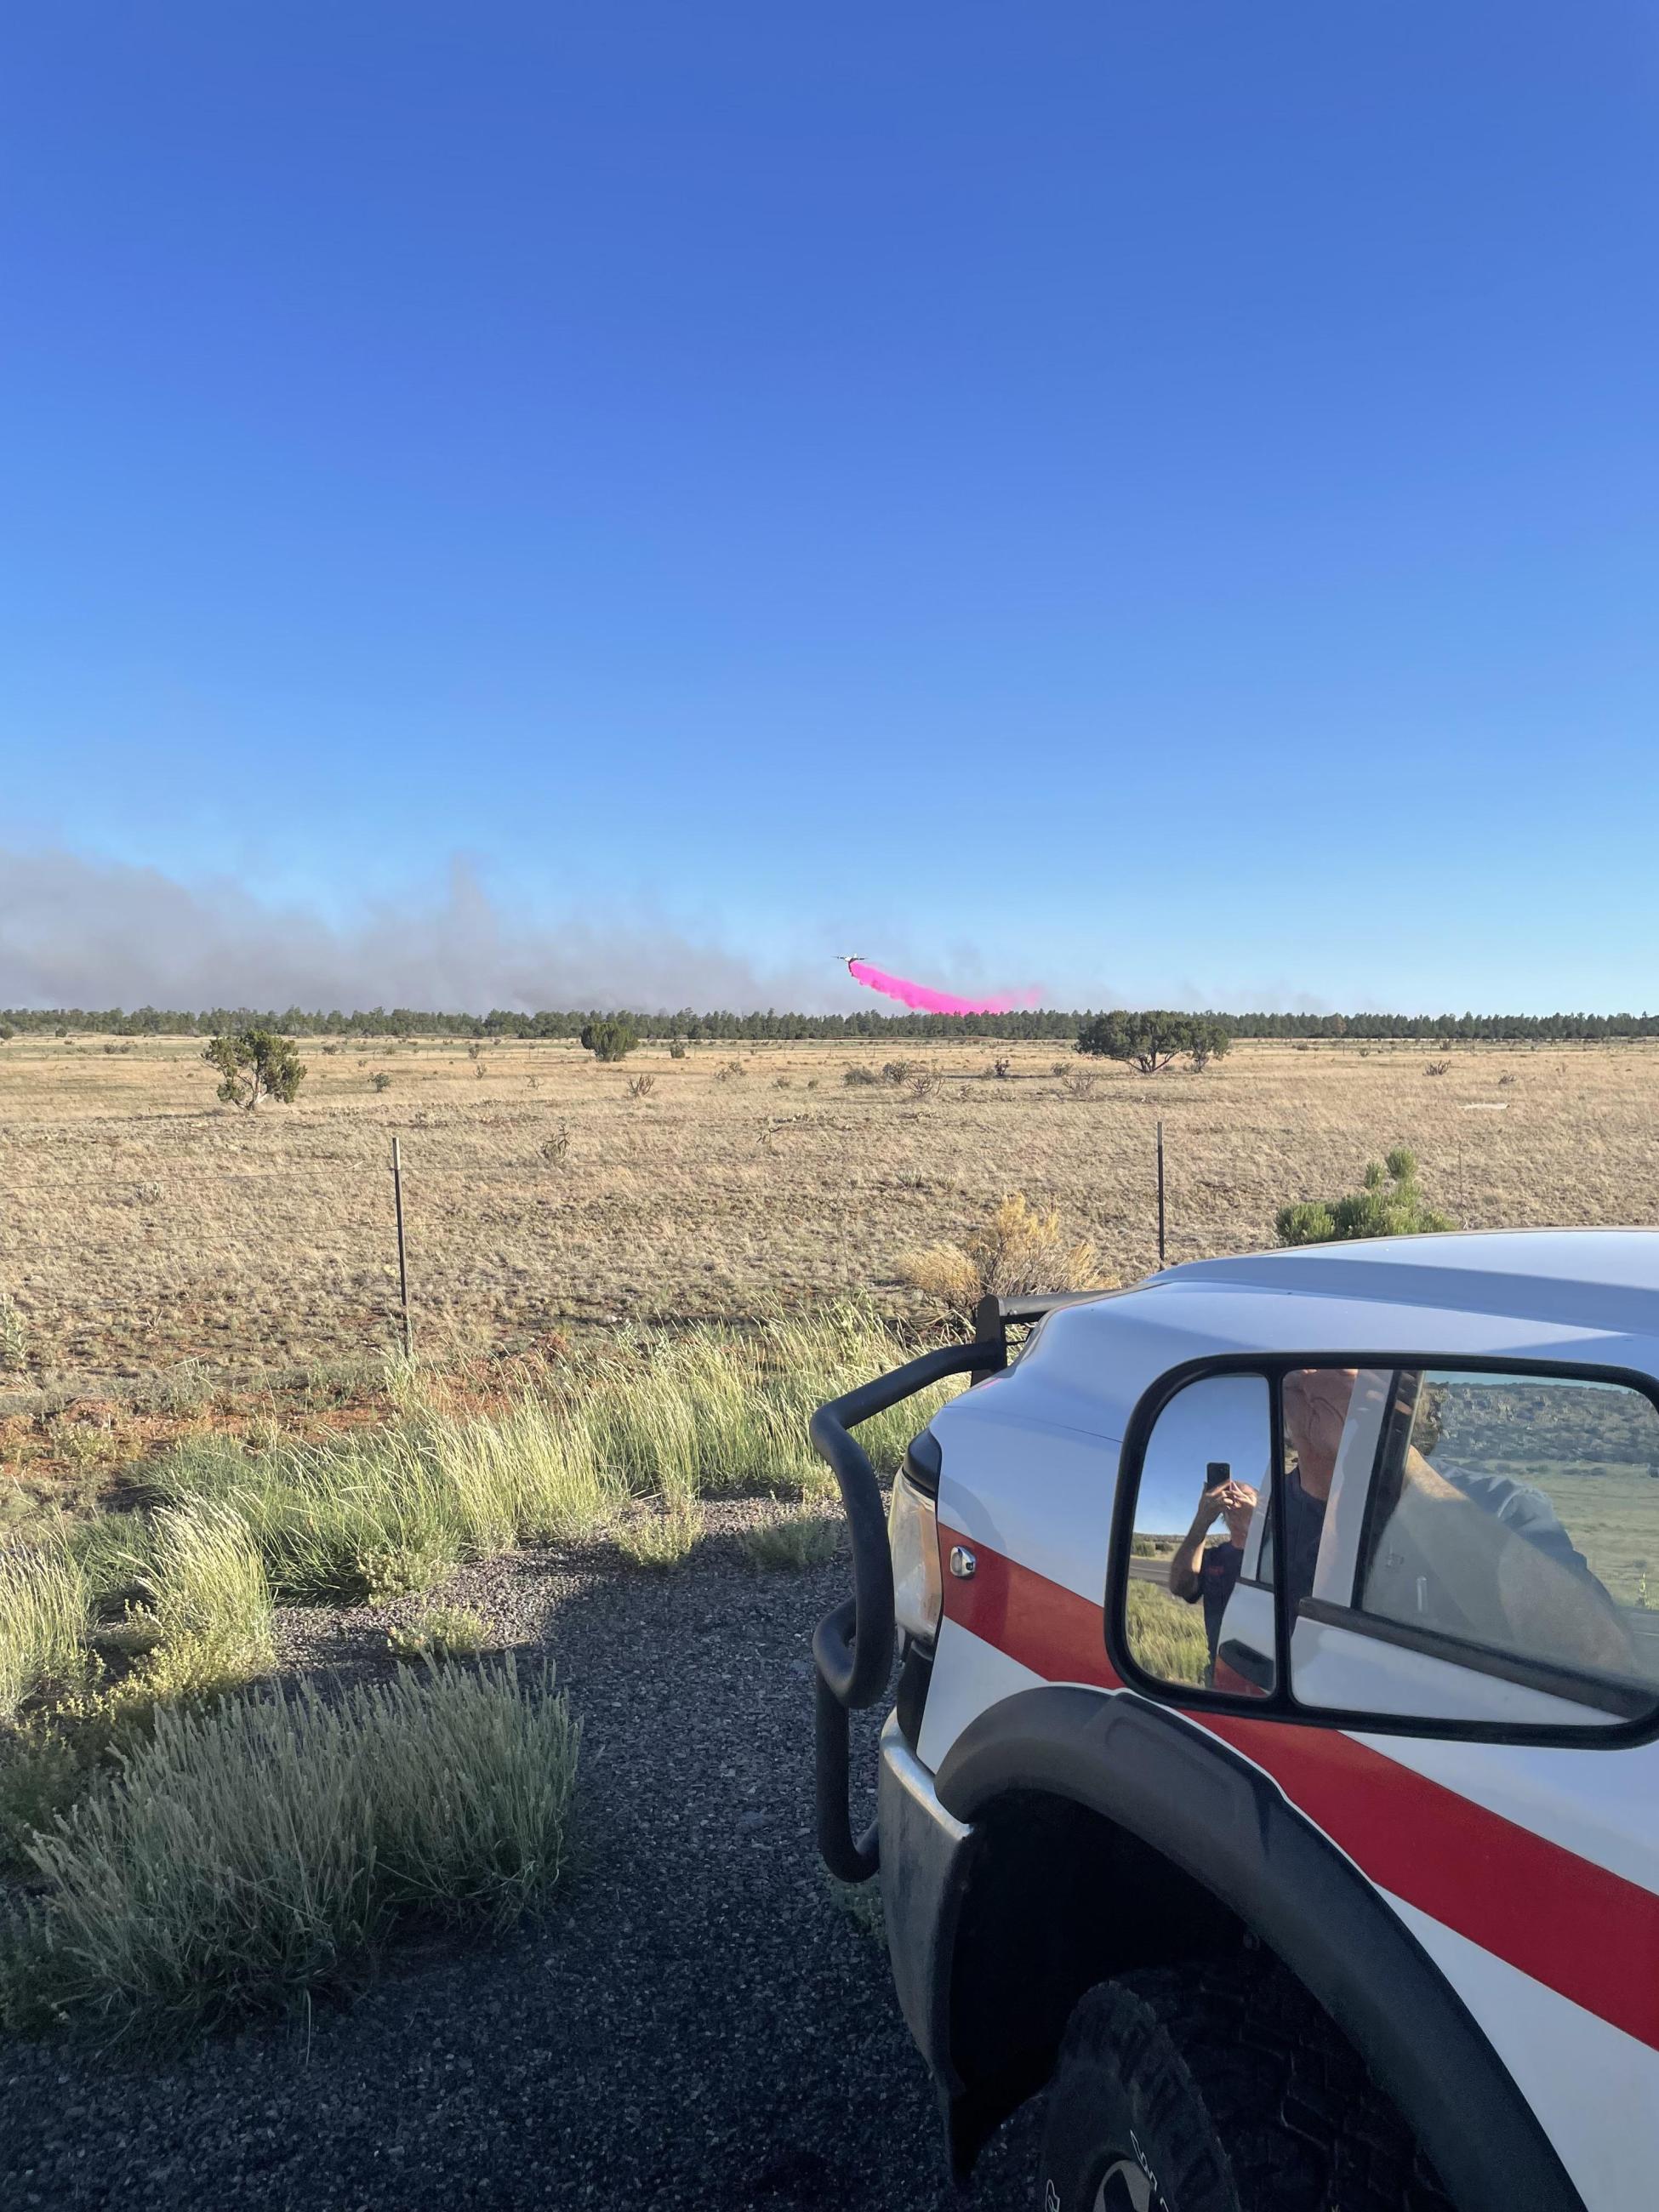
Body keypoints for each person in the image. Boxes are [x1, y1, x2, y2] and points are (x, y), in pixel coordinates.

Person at [1167, 1467, 1258, 1671]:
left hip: (1271, 1671)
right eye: (1228, 1496)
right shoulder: (1211, 1557)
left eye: (1246, 1496)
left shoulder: (1273, 1551)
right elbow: (1180, 1587)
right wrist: (1202, 1520)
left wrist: (1257, 1522)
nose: (1236, 1500)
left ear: (1262, 1508)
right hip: (1222, 1667)